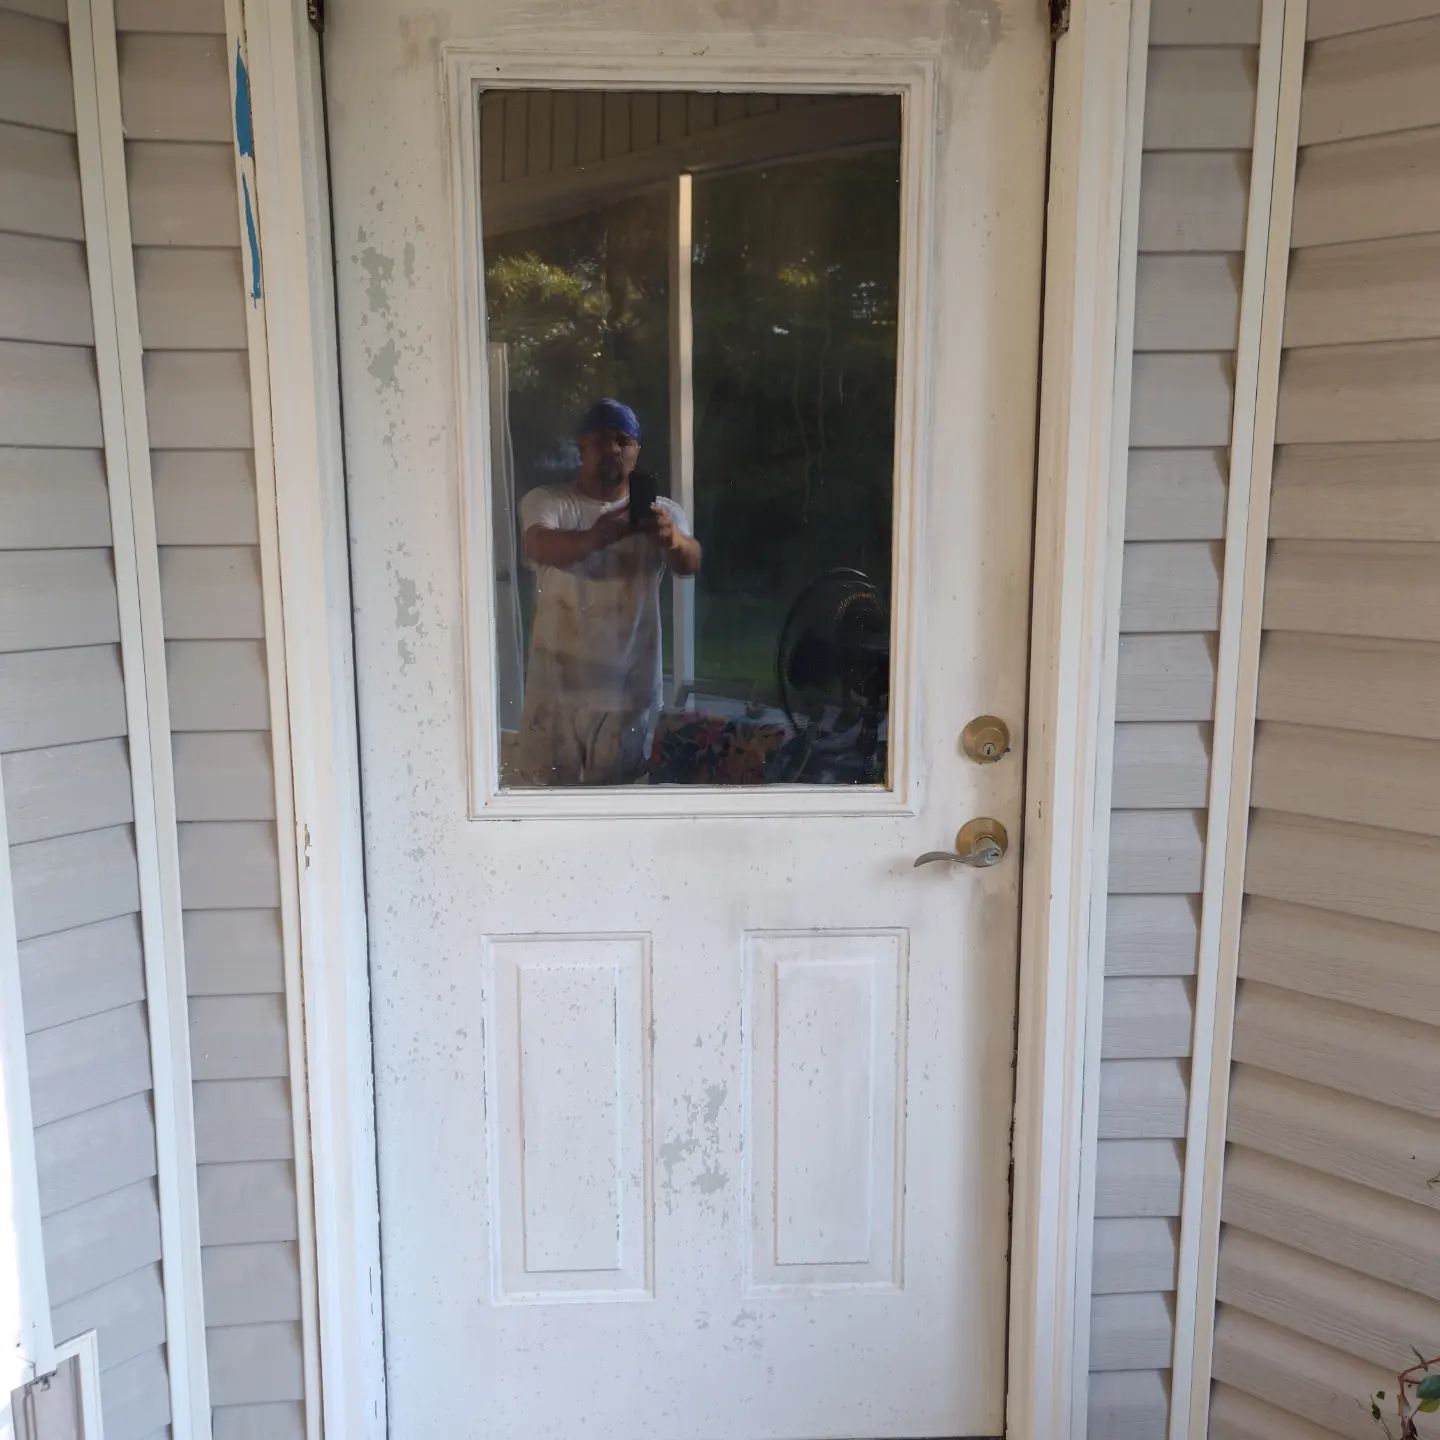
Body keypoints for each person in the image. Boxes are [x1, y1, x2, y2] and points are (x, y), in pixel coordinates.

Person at [516, 398, 702, 786]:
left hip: (628, 692)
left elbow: (691, 562)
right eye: (602, 440)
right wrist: (598, 535)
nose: (614, 449)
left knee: (617, 807)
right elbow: (538, 546)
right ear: (582, 448)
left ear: (637, 451)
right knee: (546, 806)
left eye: (624, 441)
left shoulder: (662, 511)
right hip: (557, 692)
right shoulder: (548, 501)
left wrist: (672, 540)